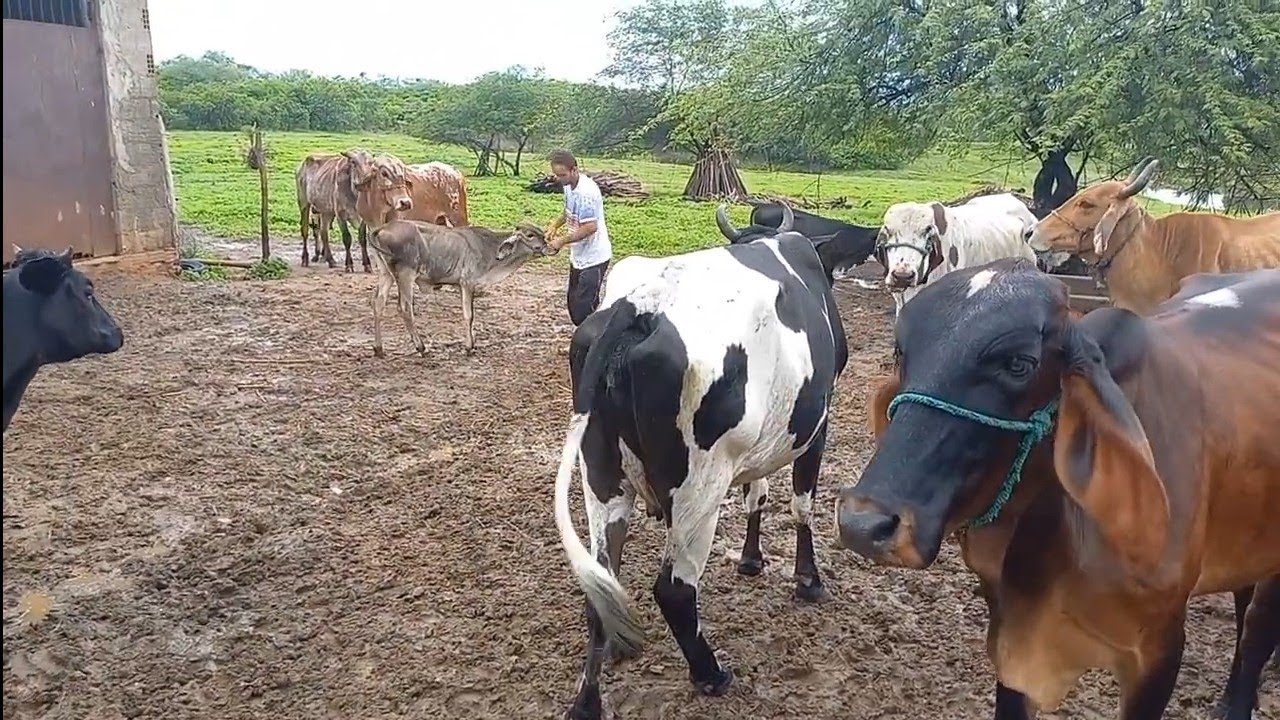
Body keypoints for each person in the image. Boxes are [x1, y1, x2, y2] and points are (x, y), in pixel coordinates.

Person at [544, 149, 612, 326]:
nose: (559, 178)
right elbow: (568, 212)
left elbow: (590, 227)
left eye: (562, 174)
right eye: (556, 175)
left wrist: (561, 241)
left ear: (574, 170)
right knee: (574, 305)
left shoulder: (586, 192)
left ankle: (595, 343)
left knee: (584, 309)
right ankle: (590, 337)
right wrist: (554, 225)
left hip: (594, 258)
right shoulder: (569, 187)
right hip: (579, 256)